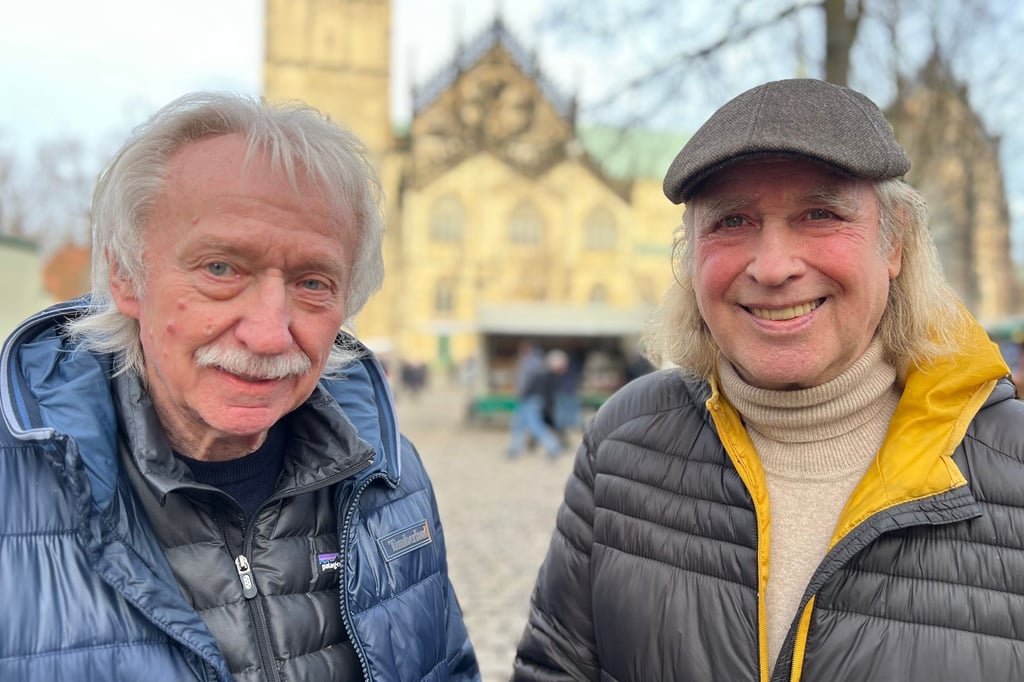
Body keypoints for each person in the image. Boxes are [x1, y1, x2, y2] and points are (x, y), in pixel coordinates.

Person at [513, 78, 1024, 681]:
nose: (774, 267)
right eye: (732, 221)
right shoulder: (622, 440)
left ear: (897, 244)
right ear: (691, 256)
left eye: (820, 214)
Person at [0, 92, 479, 681]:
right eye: (221, 269)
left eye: (312, 282)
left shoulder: (388, 475)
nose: (269, 334)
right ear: (127, 276)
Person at [505, 342, 562, 458]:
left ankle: (553, 446)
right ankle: (514, 449)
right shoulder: (536, 362)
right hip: (530, 397)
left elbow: (529, 383)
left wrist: (523, 394)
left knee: (535, 425)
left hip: (530, 398)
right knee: (518, 424)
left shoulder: (532, 363)